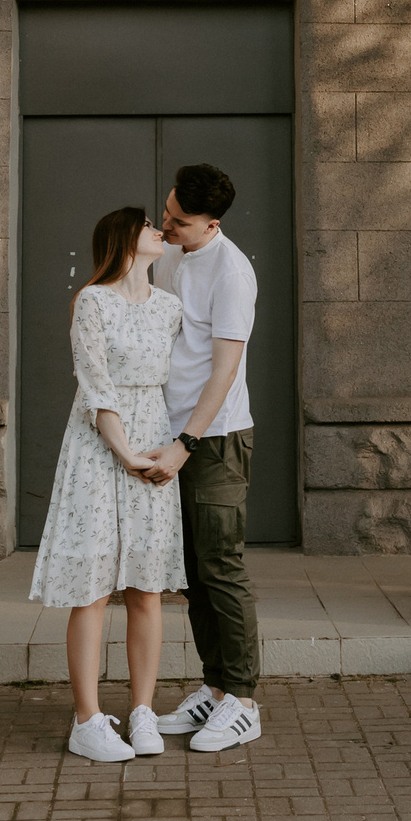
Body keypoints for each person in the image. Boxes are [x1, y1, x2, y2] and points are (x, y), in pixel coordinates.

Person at [26, 206, 187, 763]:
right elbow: (96, 383)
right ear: (124, 239)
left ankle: (143, 712)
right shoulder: (91, 301)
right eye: (149, 226)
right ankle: (87, 720)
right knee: (92, 588)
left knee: (146, 586)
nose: (159, 231)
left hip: (154, 439)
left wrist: (167, 452)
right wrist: (123, 453)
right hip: (99, 446)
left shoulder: (170, 307)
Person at [142, 162, 262, 754]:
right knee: (190, 572)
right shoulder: (169, 252)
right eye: (165, 213)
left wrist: (185, 443)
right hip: (168, 435)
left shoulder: (232, 273)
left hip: (213, 440)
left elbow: (224, 369)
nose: (166, 227)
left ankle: (242, 700)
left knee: (221, 565)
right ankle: (214, 690)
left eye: (180, 222)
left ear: (212, 224)